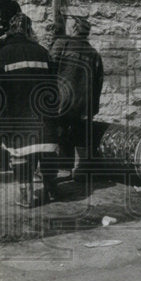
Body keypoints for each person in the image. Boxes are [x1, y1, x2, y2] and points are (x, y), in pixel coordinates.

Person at [0, 13, 59, 208]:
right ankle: (51, 190)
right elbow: (53, 86)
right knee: (45, 150)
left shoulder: (3, 54)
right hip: (43, 114)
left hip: (16, 114)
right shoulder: (43, 52)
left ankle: (26, 194)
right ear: (29, 30)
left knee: (20, 153)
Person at [50, 15, 103, 180]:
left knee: (58, 132)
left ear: (74, 29)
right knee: (78, 134)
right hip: (82, 104)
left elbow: (49, 69)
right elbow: (98, 82)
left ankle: (61, 169)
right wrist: (93, 107)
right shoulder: (94, 54)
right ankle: (79, 170)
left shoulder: (61, 44)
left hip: (61, 100)